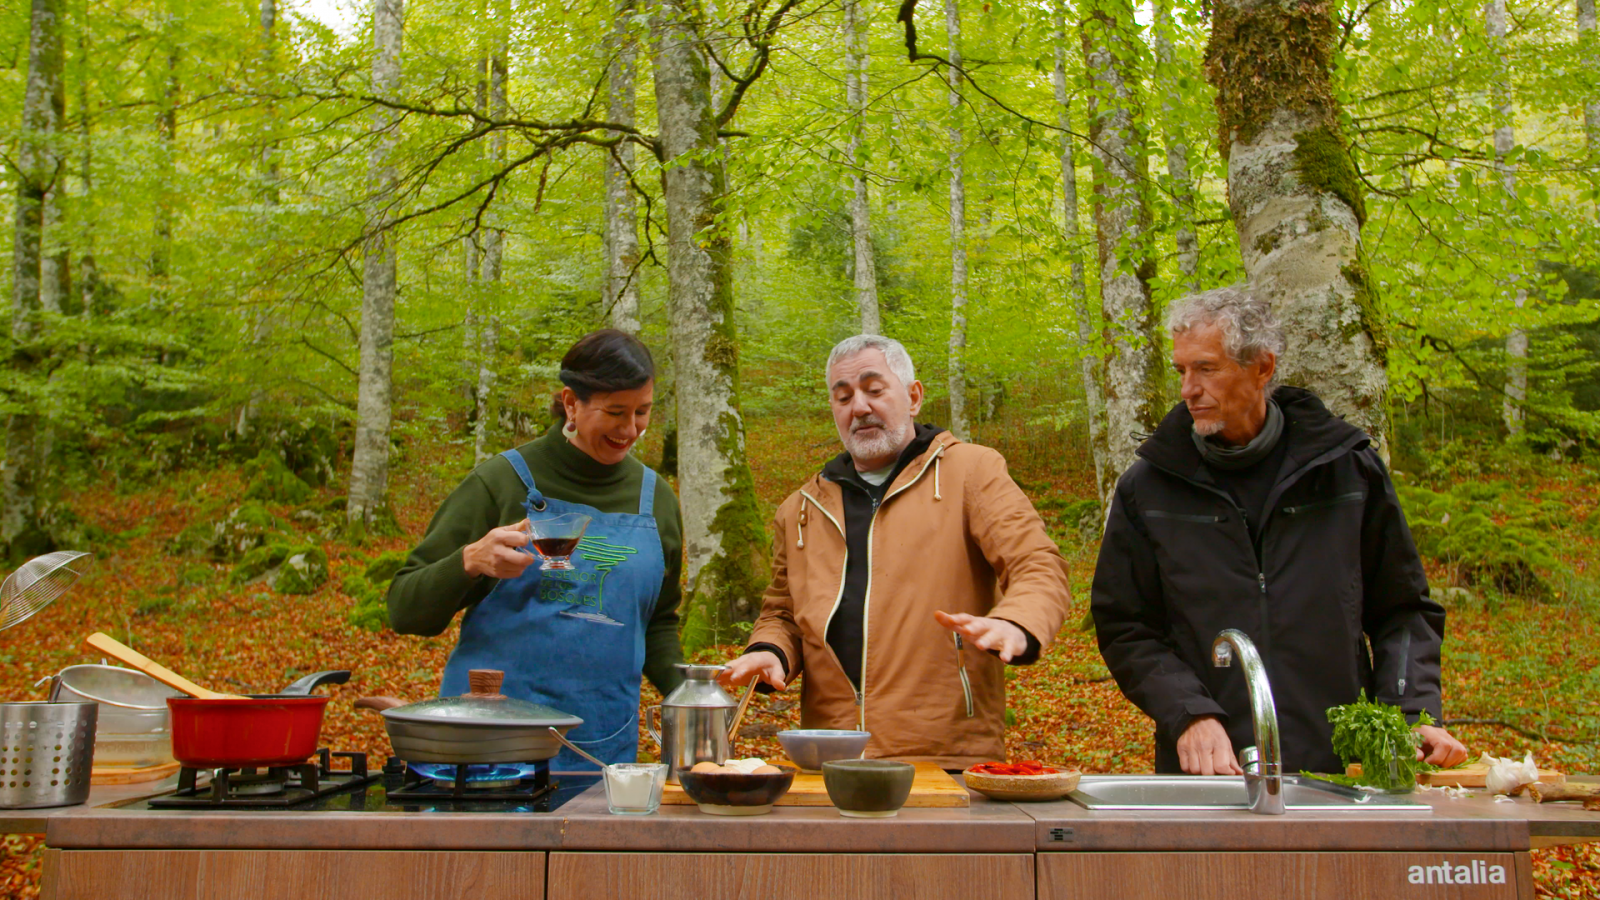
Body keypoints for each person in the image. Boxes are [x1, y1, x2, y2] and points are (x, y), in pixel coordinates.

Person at [1091, 285, 1468, 776]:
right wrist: (1188, 712)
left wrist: (1412, 712)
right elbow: (1126, 625)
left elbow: (1403, 609)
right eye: (1182, 371)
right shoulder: (1151, 485)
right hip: (1210, 771)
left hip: (1344, 765)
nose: (1188, 389)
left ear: (1262, 368)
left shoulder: (1347, 470)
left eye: (1206, 368)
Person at [721, 335, 1072, 768]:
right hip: (830, 756)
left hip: (944, 755)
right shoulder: (800, 510)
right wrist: (768, 651)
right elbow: (782, 615)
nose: (860, 407)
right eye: (843, 396)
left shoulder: (971, 473)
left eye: (874, 389)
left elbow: (1038, 564)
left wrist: (1017, 622)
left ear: (913, 396)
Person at [387, 329, 684, 769]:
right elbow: (404, 609)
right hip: (489, 752)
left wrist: (693, 695)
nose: (630, 430)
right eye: (615, 412)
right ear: (571, 403)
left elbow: (657, 622)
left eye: (642, 412)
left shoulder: (655, 498)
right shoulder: (500, 483)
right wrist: (469, 562)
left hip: (601, 750)